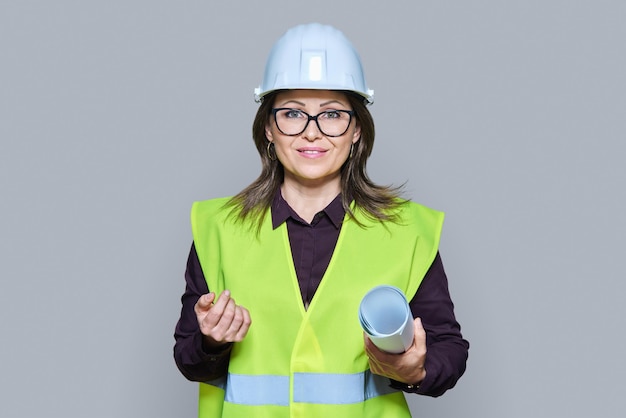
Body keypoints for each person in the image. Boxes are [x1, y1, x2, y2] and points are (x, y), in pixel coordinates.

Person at [174, 22, 469, 418]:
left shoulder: (408, 231)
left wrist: (414, 370)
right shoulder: (217, 229)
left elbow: (449, 350)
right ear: (268, 128)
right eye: (293, 113)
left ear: (357, 132)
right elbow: (188, 358)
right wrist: (212, 342)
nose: (312, 133)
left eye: (331, 115)